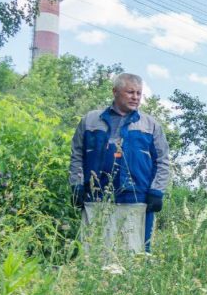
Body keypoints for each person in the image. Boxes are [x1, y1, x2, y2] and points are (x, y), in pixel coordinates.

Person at [69, 72, 170, 251]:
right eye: (130, 92)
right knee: (93, 250)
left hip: (136, 199)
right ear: (115, 91)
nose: (136, 97)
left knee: (135, 254)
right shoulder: (91, 120)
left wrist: (157, 191)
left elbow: (162, 161)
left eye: (139, 93)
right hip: (96, 198)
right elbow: (77, 154)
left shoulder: (150, 125)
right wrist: (76, 185)